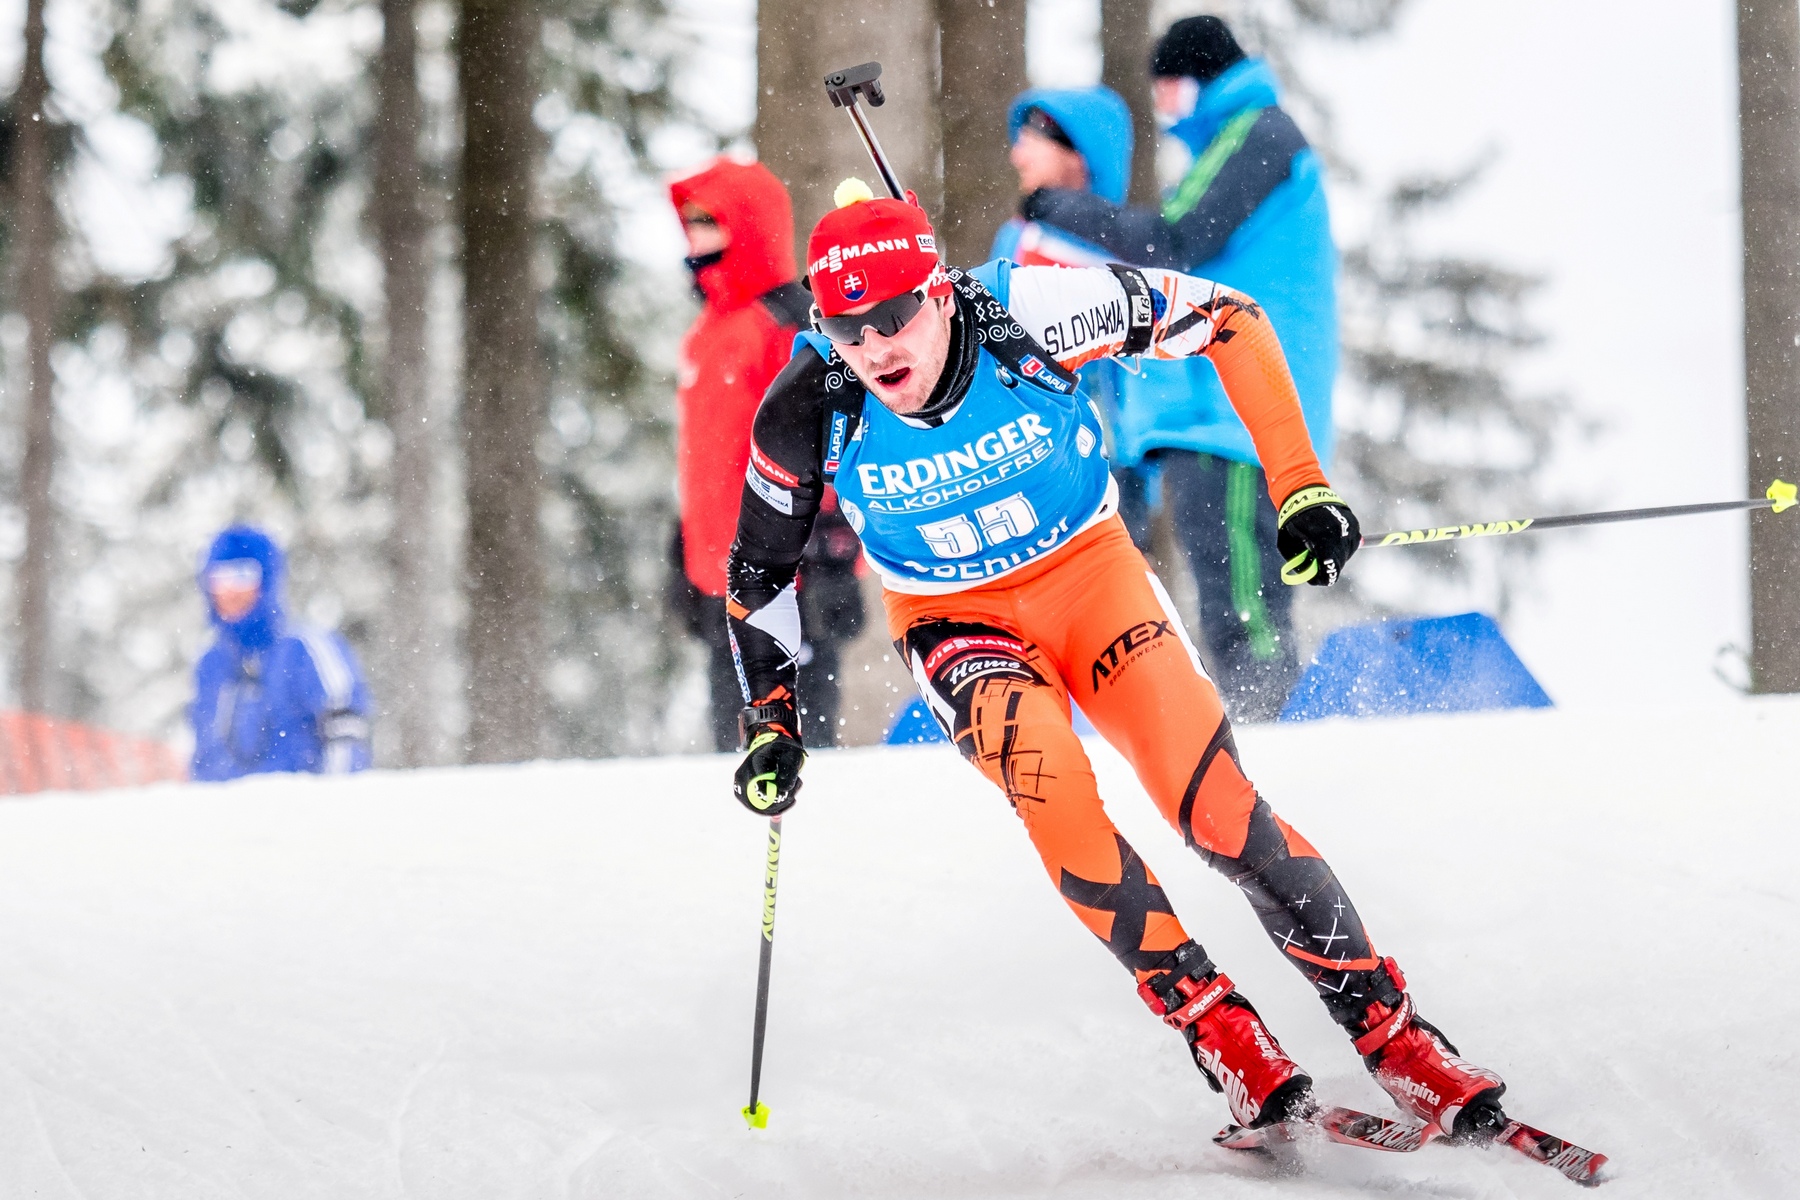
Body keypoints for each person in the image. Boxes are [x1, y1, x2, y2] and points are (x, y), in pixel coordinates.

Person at [724, 186, 1518, 1143]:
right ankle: (1222, 1033)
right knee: (1049, 781)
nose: (877, 349)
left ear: (939, 292)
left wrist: (1301, 488)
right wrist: (770, 719)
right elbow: (759, 572)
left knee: (1215, 807)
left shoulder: (1027, 309)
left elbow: (1232, 319)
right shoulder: (809, 408)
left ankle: (1397, 1040)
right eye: (849, 331)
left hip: (1090, 576)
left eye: (895, 317)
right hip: (954, 619)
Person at [1018, 15, 1338, 720]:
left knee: (1241, 608)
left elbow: (1173, 241)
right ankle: (1264, 725)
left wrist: (1056, 206)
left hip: (1236, 414)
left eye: (1168, 91)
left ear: (1195, 80)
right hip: (1216, 409)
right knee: (1228, 597)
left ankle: (1275, 729)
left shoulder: (1259, 135)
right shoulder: (1240, 141)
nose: (1164, 112)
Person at [665, 156, 863, 751]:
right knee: (734, 757)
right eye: (691, 220)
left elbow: (832, 445)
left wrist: (831, 554)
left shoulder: (790, 325)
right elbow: (707, 463)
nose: (695, 233)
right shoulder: (709, 328)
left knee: (801, 752)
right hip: (724, 582)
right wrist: (687, 553)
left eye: (710, 219)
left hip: (791, 582)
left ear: (746, 224)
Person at [191, 525, 373, 781]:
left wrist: (330, 810)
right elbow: (205, 755)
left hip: (299, 813)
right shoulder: (210, 663)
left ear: (267, 580)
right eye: (220, 578)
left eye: (243, 575)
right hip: (226, 817)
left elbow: (347, 736)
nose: (230, 589)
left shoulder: (306, 648)